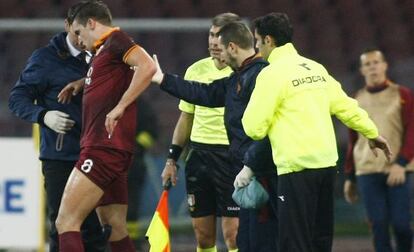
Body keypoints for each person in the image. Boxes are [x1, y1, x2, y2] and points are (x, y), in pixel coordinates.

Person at [239, 13, 392, 252]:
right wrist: (372, 132)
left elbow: (254, 128)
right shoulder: (315, 68)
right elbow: (346, 106)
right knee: (320, 241)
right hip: (326, 166)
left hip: (296, 169)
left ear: (268, 40)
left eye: (258, 40)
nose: (257, 46)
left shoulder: (271, 74)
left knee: (294, 242)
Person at [153, 21, 278, 252]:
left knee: (254, 238)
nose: (216, 52)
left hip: (256, 170)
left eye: (220, 47)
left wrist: (250, 166)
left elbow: (270, 130)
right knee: (244, 239)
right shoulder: (238, 77)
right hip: (237, 165)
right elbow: (205, 93)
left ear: (232, 47)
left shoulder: (262, 75)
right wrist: (163, 79)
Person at [53, 1, 156, 251]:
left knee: (66, 221)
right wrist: (82, 82)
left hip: (101, 148)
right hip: (114, 151)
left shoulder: (116, 40)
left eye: (78, 32)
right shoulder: (103, 52)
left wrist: (120, 106)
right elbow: (113, 77)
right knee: (114, 227)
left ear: (91, 23)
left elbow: (148, 66)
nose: (76, 40)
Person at [8, 2, 109, 251]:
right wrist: (44, 115)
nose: (82, 37)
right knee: (64, 227)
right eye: (76, 31)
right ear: (67, 26)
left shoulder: (106, 57)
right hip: (62, 157)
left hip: (101, 155)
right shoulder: (45, 59)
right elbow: (16, 99)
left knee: (101, 229)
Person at [160, 13, 240, 252]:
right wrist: (172, 159)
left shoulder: (242, 73)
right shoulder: (195, 70)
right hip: (200, 157)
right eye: (212, 35)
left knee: (233, 235)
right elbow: (186, 117)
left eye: (220, 36)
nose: (214, 42)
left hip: (231, 158)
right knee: (203, 237)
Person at [343, 48, 413, 252]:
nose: (372, 66)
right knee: (378, 226)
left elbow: (412, 132)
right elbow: (352, 140)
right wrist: (350, 176)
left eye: (376, 62)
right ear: (362, 70)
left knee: (402, 226)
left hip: (398, 171)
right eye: (367, 64)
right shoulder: (355, 99)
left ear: (385, 66)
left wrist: (401, 163)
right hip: (367, 171)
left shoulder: (403, 95)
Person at [127, 98, 159, 248]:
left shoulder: (141, 106)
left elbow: (152, 131)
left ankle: (131, 243)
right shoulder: (108, 101)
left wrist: (136, 147)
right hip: (109, 163)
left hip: (133, 165)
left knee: (131, 207)